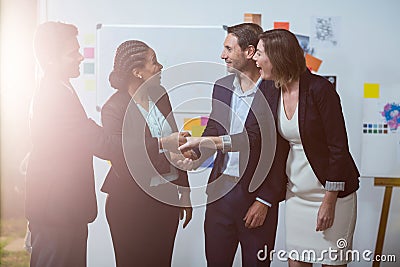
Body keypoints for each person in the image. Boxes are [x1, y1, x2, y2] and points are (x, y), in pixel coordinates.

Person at [179, 23, 285, 267]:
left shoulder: (275, 90)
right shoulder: (222, 87)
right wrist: (195, 151)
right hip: (219, 193)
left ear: (249, 52)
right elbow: (213, 129)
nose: (222, 55)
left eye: (228, 48)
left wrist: (265, 200)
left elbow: (273, 147)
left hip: (256, 196)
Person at [252, 29, 359, 267]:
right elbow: (256, 136)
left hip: (332, 195)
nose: (255, 59)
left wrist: (329, 201)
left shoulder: (320, 90)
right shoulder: (269, 89)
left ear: (278, 57)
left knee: (332, 261)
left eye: (259, 53)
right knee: (297, 261)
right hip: (297, 195)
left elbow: (338, 147)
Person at [25, 21, 120, 267]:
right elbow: (98, 141)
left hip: (63, 211)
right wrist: (157, 144)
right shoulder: (53, 96)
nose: (80, 57)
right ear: (50, 60)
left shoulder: (61, 88)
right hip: (56, 214)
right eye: (72, 53)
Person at [100, 40, 193, 266]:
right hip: (130, 204)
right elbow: (124, 154)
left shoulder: (160, 95)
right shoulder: (113, 109)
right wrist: (163, 143)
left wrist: (185, 190)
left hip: (166, 200)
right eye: (154, 62)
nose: (160, 66)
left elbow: (174, 146)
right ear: (137, 72)